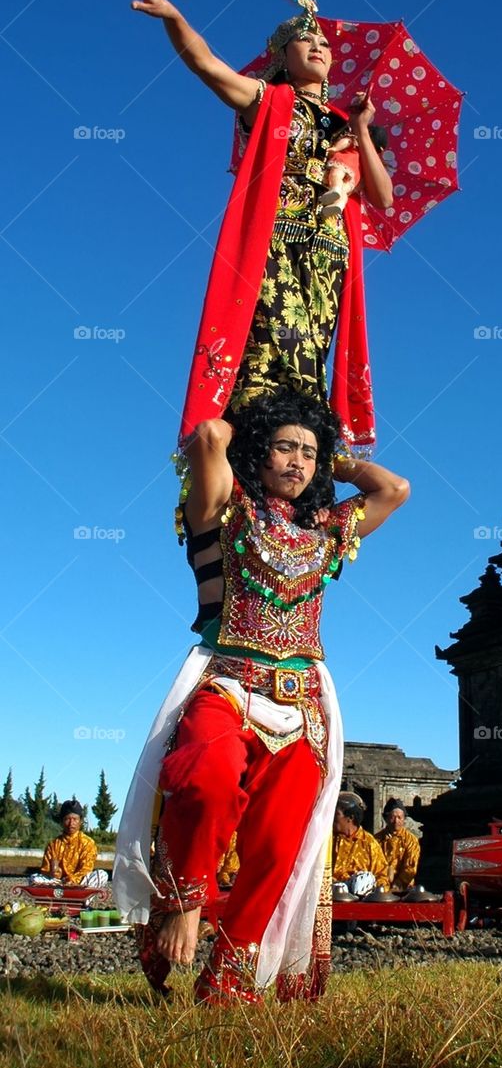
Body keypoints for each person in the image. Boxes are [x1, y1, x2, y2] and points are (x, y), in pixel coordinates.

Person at [113, 390, 409, 1004]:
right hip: (228, 683)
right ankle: (184, 903)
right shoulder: (228, 510)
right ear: (259, 453)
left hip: (302, 703)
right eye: (286, 448)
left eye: (310, 452)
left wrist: (334, 454)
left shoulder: (328, 531)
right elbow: (208, 439)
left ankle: (231, 974)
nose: (299, 462)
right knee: (205, 775)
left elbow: (394, 489)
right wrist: (238, 419)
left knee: (282, 843)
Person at [114, 0, 393, 455]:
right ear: (283, 56)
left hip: (329, 254)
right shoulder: (269, 100)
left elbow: (383, 197)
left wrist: (364, 128)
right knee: (270, 344)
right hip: (275, 242)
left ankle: (304, 455)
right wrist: (173, 16)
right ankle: (253, 450)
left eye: (326, 44)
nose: (319, 48)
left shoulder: (343, 124)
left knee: (310, 357)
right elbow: (208, 66)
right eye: (307, 41)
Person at [29, 800, 108, 888]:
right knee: (34, 878)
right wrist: (53, 873)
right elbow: (45, 870)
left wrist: (72, 879)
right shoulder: (54, 844)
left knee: (102, 875)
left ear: (80, 821)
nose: (71, 823)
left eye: (75, 819)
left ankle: (80, 899)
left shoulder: (87, 843)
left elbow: (86, 869)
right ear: (62, 821)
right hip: (58, 883)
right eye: (67, 819)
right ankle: (55, 897)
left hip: (79, 883)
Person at [332, 793, 390, 896]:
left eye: (336, 814)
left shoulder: (369, 843)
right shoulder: (328, 840)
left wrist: (368, 886)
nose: (332, 818)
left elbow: (382, 876)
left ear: (350, 817)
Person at [375, 798, 420, 893]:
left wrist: (399, 884)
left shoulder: (411, 840)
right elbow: (374, 865)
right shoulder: (376, 840)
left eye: (400, 817)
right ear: (386, 818)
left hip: (404, 888)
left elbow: (411, 866)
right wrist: (382, 884)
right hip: (380, 887)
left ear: (404, 819)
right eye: (392, 817)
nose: (396, 821)